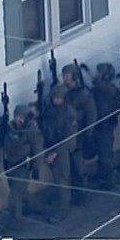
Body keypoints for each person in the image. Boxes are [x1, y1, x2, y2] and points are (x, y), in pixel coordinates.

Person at [37, 84, 78, 224]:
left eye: (58, 97)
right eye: (54, 97)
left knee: (62, 180)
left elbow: (69, 138)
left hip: (61, 150)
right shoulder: (51, 109)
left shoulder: (69, 113)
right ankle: (59, 200)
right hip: (50, 145)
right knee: (57, 177)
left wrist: (54, 153)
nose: (55, 100)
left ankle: (63, 210)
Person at [0, 103, 43, 228]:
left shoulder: (31, 131)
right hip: (10, 163)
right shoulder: (10, 128)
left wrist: (36, 168)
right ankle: (38, 207)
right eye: (16, 116)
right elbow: (3, 142)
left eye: (21, 117)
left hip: (23, 165)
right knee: (20, 191)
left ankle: (16, 222)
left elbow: (38, 150)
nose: (18, 120)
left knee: (15, 195)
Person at [61, 63, 97, 206]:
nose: (64, 78)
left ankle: (82, 192)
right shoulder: (64, 92)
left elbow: (91, 114)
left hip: (79, 136)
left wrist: (88, 133)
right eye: (63, 76)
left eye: (67, 76)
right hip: (67, 135)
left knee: (78, 167)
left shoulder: (83, 94)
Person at [90, 63, 120, 189]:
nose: (96, 74)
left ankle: (110, 180)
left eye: (98, 72)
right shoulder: (100, 89)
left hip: (105, 126)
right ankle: (101, 174)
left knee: (105, 154)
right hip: (99, 125)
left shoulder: (109, 89)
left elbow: (102, 88)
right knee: (100, 152)